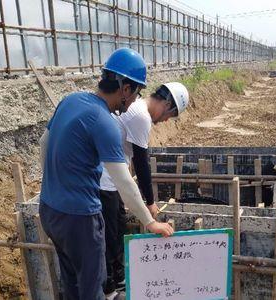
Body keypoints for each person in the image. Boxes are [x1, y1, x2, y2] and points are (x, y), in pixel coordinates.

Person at [38, 48, 174, 300]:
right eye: (136, 93)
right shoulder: (104, 122)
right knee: (92, 288)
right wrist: (150, 222)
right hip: (79, 219)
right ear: (125, 89)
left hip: (49, 210)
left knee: (72, 282)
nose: (135, 100)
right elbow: (124, 182)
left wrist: (55, 184)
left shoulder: (70, 100)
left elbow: (44, 145)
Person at [99, 82, 190, 298]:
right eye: (171, 114)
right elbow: (141, 164)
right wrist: (149, 202)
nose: (167, 120)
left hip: (112, 180)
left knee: (117, 229)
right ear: (166, 103)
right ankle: (109, 289)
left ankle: (118, 280)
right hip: (104, 181)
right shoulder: (140, 116)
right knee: (110, 238)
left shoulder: (137, 109)